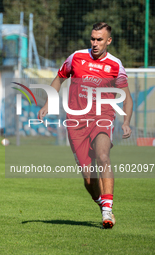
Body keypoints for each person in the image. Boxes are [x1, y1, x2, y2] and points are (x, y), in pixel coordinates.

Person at [38, 22, 133, 229]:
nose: (95, 43)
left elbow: (127, 98)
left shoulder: (116, 65)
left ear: (108, 41)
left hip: (103, 118)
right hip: (76, 123)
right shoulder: (76, 58)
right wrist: (48, 103)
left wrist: (126, 122)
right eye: (92, 38)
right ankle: (101, 202)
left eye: (100, 39)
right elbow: (59, 79)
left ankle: (107, 211)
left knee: (103, 156)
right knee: (89, 178)